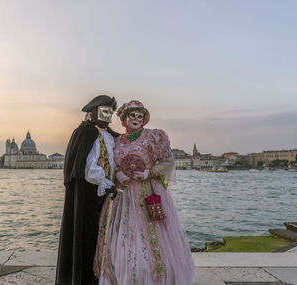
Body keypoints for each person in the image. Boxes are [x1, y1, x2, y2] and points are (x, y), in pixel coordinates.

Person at [93, 100, 196, 285]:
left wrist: (150, 172)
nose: (136, 119)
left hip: (148, 192)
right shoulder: (117, 141)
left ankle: (154, 276)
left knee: (153, 235)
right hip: (123, 196)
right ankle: (123, 275)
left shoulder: (153, 137)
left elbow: (168, 162)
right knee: (122, 237)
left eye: (140, 116)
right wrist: (119, 174)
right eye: (133, 115)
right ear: (124, 119)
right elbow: (113, 165)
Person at [56, 95, 120, 285]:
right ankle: (86, 278)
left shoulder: (109, 134)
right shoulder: (86, 132)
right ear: (92, 112)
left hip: (104, 195)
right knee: (88, 235)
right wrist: (106, 184)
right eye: (104, 111)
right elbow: (87, 167)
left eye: (110, 112)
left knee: (103, 235)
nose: (108, 116)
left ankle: (101, 274)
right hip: (88, 194)